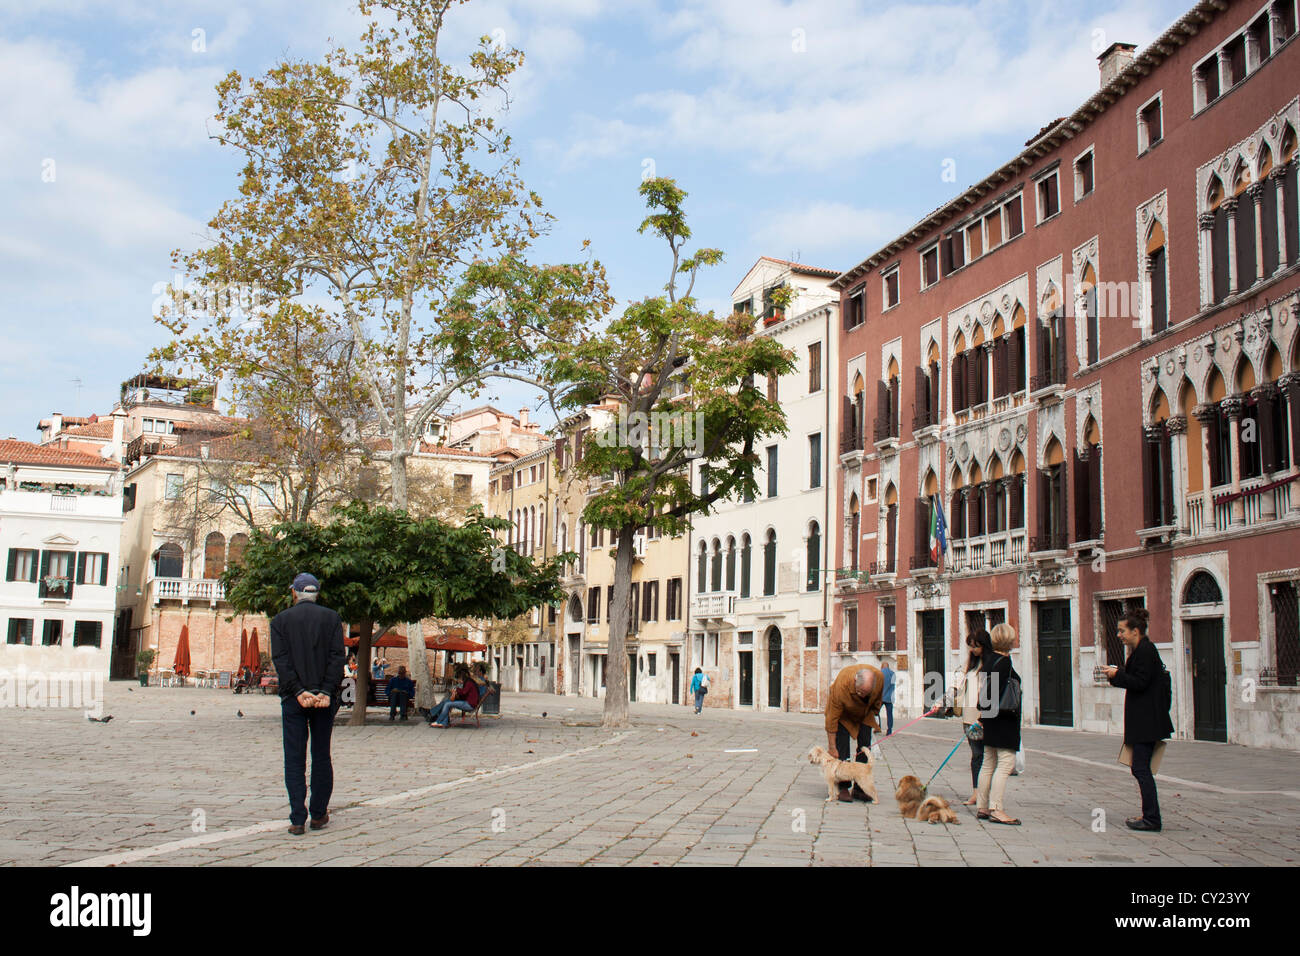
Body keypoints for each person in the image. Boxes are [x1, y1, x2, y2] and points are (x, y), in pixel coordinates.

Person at [270, 572, 346, 836]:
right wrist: (325, 691)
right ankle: (318, 813)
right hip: (323, 698)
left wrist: (299, 690)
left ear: (294, 592)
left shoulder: (280, 620)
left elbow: (281, 659)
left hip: (294, 698)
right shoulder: (332, 618)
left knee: (294, 757)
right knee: (321, 755)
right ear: (317, 593)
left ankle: (297, 817)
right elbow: (338, 657)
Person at [1104, 607, 1173, 832]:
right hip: (1145, 720)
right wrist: (1117, 677)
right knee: (1140, 768)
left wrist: (1118, 675)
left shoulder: (1145, 651)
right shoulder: (1142, 649)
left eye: (1122, 631)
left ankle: (1152, 818)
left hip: (1147, 721)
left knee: (1141, 768)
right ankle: (1149, 814)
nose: (1119, 635)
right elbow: (1135, 680)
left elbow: (1140, 682)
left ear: (1135, 631)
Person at [975, 622, 1021, 825]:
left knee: (988, 763)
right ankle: (996, 808)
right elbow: (997, 691)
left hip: (990, 718)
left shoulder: (989, 660)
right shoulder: (1004, 662)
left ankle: (982, 806)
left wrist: (984, 716)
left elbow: (985, 694)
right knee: (1005, 764)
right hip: (1004, 719)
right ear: (1009, 640)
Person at [824, 663, 884, 803]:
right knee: (842, 747)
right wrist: (832, 747)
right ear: (855, 680)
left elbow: (878, 700)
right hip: (843, 715)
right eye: (859, 692)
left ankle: (859, 787)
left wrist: (874, 713)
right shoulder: (841, 684)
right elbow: (832, 718)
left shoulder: (879, 678)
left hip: (864, 712)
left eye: (865, 693)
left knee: (864, 745)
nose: (861, 694)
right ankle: (843, 787)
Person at [958, 629, 993, 805]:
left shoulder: (991, 665)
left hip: (984, 718)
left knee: (987, 756)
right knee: (976, 755)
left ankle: (986, 794)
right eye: (970, 646)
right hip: (968, 718)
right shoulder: (969, 665)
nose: (972, 650)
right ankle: (976, 792)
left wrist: (984, 717)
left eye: (975, 646)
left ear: (983, 645)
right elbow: (958, 686)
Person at [879, 657, 896, 736]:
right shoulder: (893, 674)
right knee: (889, 714)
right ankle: (889, 730)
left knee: (876, 712)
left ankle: (877, 727)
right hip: (890, 697)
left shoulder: (879, 673)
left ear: (882, 666)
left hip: (881, 697)